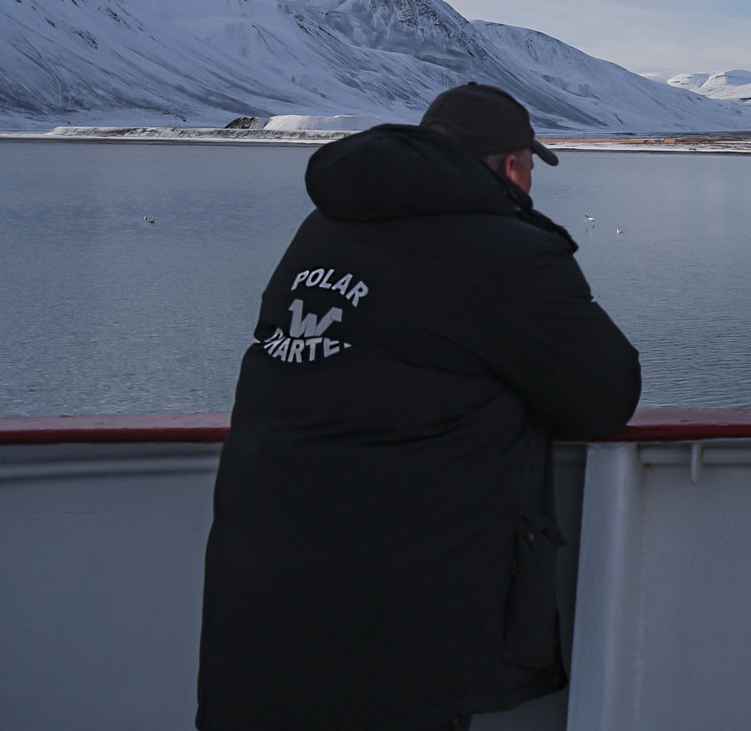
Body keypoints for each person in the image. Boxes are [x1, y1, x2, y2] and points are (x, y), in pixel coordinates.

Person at [196, 83, 642, 731]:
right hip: (398, 612)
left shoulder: (325, 227)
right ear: (515, 166)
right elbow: (605, 396)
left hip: (259, 585)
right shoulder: (507, 254)